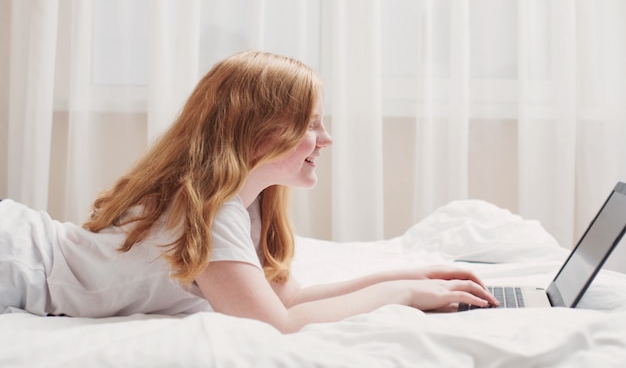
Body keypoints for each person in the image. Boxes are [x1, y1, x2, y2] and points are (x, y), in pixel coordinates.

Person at [0, 50, 498, 333]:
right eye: (311, 125)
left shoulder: (244, 201)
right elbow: (278, 323)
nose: (326, 140)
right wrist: (404, 293)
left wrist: (410, 276)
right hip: (14, 261)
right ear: (261, 132)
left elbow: (290, 296)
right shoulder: (211, 211)